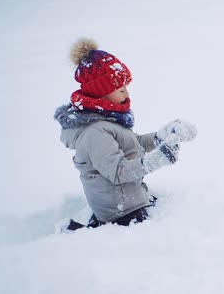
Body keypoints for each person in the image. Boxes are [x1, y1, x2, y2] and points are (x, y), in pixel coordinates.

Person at [54, 38, 197, 230]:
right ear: (100, 93)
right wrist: (158, 159)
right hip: (121, 213)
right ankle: (82, 233)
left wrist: (161, 136)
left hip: (129, 201)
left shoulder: (106, 119)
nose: (127, 94)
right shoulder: (95, 133)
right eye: (121, 89)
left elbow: (132, 143)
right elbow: (118, 172)